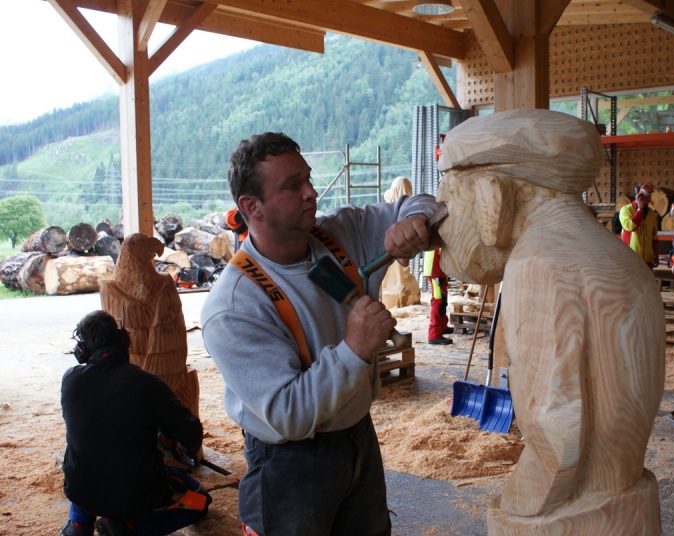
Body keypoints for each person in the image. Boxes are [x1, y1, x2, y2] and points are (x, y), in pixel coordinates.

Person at [200, 132, 441, 536]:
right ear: (251, 206)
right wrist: (354, 350)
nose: (311, 192)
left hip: (357, 435)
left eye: (308, 178)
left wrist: (414, 221)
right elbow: (287, 413)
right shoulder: (234, 306)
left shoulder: (342, 232)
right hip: (289, 463)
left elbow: (420, 202)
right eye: (292, 185)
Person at [60, 310, 210, 536]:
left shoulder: (70, 379)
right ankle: (130, 528)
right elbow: (189, 431)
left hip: (80, 490)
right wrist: (188, 450)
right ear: (124, 340)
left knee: (89, 465)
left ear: (82, 350)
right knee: (200, 499)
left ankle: (79, 524)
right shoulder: (147, 383)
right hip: (135, 495)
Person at [619, 182, 660, 268]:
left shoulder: (651, 213)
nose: (649, 198)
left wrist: (656, 256)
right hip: (631, 258)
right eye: (647, 195)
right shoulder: (626, 210)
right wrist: (640, 210)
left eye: (650, 195)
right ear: (639, 196)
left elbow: (654, 237)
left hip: (648, 259)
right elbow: (630, 227)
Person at [423, 248, 454, 344]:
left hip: (439, 270)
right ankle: (434, 336)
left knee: (443, 300)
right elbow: (443, 251)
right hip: (435, 270)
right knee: (438, 302)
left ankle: (442, 327)